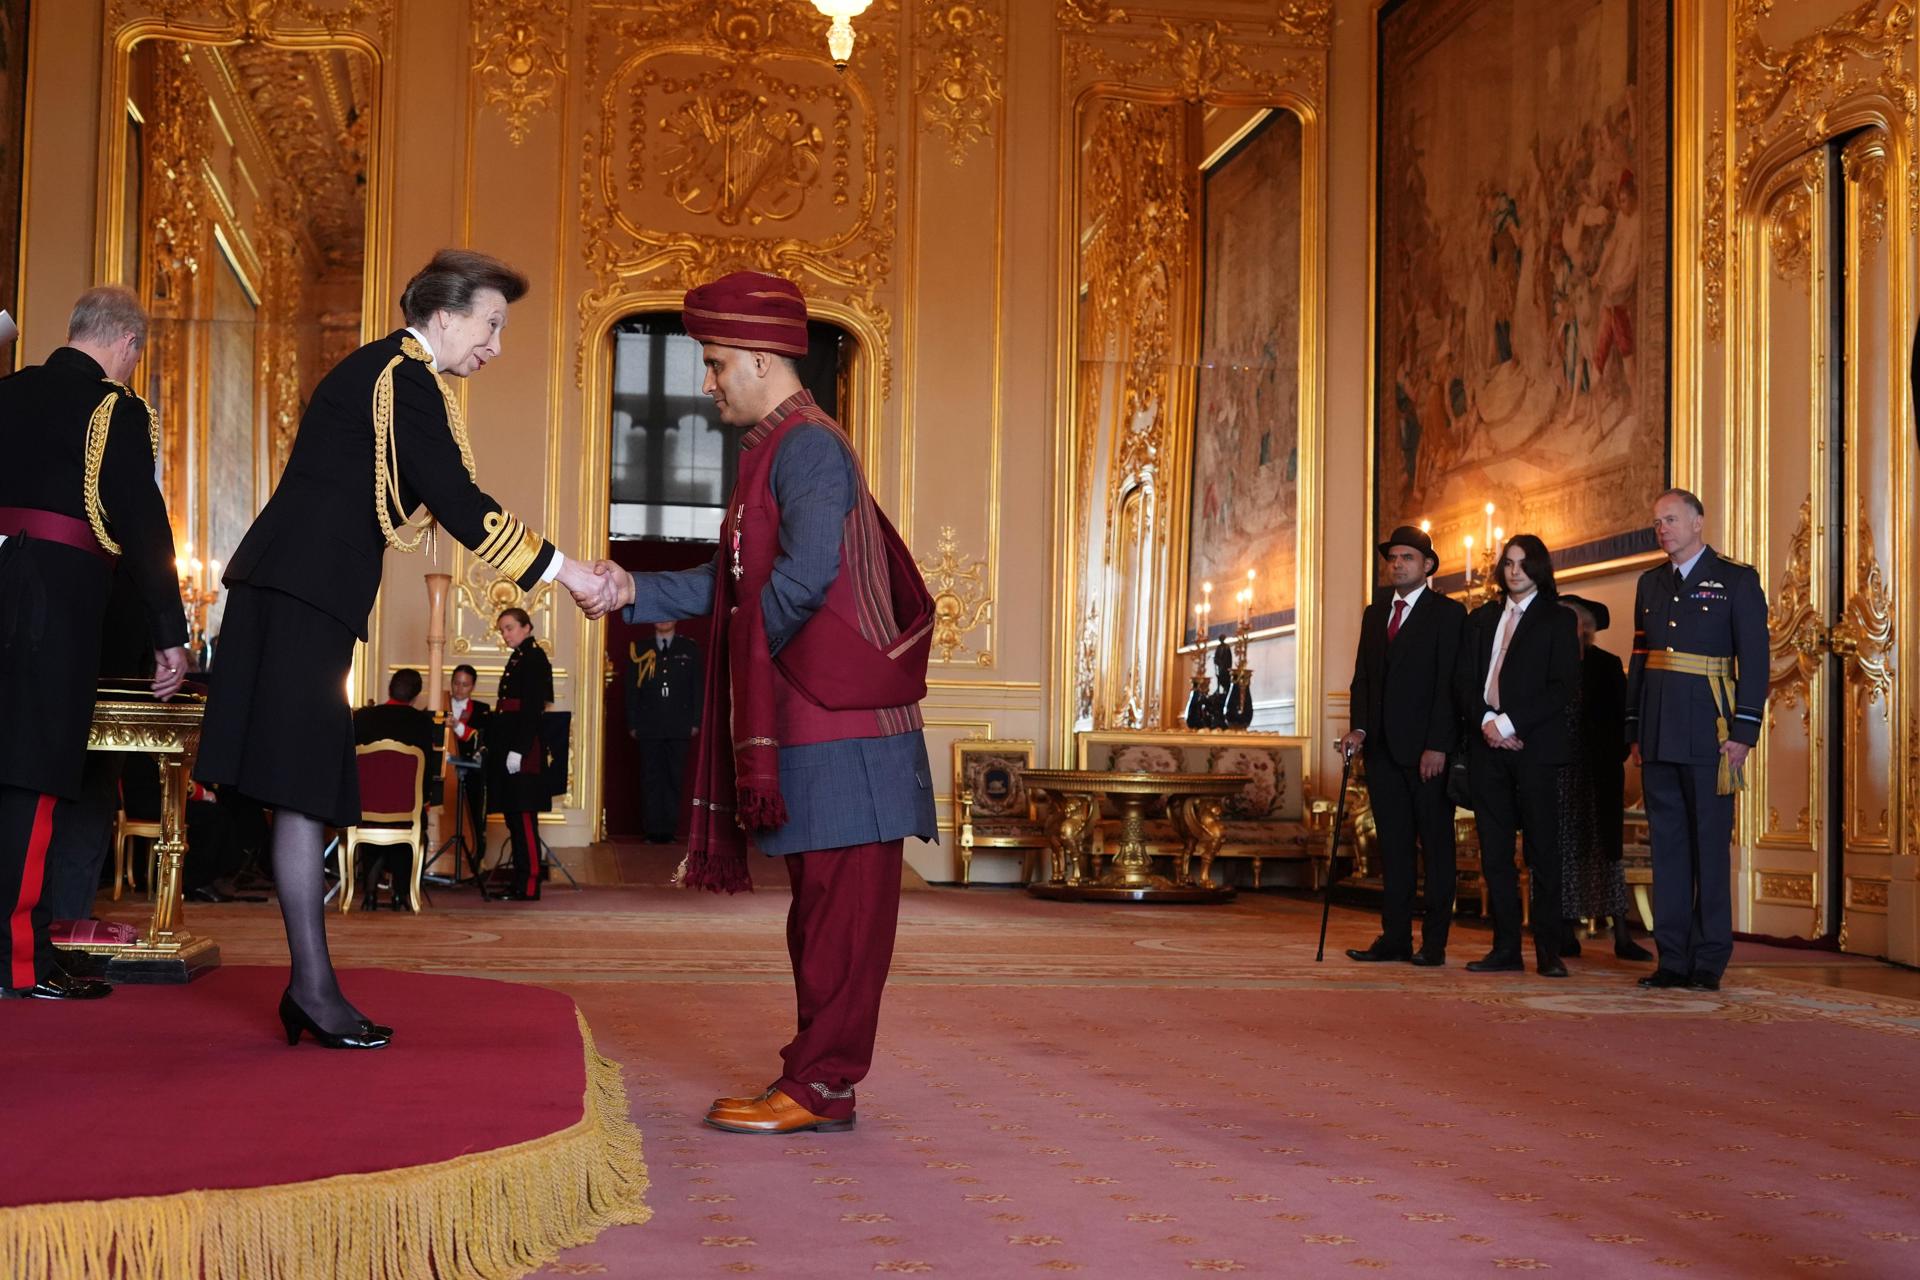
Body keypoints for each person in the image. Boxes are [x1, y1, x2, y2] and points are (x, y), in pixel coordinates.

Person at [194, 250, 616, 1047]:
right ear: (445, 316)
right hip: (298, 596)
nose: (495, 345)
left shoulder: (396, 376)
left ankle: (310, 989)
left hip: (302, 595)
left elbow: (418, 497)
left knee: (303, 789)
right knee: (304, 788)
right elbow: (459, 503)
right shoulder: (402, 377)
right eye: (491, 325)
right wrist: (568, 573)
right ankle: (313, 991)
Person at [583, 270, 937, 1136]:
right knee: (819, 920)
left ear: (759, 360)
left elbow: (806, 577)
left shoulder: (809, 445)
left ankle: (821, 1088)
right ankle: (819, 1082)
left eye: (713, 365)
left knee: (842, 925)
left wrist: (743, 667)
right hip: (819, 722)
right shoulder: (773, 451)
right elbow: (738, 582)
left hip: (844, 728)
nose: (706, 385)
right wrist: (636, 587)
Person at [0, 286, 189, 1000]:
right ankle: (20, 961)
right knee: (34, 782)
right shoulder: (117, 409)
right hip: (53, 610)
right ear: (128, 346)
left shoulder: (7, 392)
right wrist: (169, 633)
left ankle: (24, 947)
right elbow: (142, 526)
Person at [1626, 489, 1768, 992]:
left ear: (1698, 522)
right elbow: (1641, 660)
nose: (1662, 529)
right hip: (1660, 733)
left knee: (1708, 848)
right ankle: (1672, 957)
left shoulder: (1736, 580)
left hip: (1712, 733)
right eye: (1657, 521)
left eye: (1671, 519)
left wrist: (1744, 733)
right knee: (1667, 849)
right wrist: (1635, 729)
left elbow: (1755, 661)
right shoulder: (1650, 584)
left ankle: (1709, 959)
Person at [1339, 525, 1465, 966]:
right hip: (1383, 754)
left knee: (1435, 848)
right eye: (1393, 558)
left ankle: (1434, 944)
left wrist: (1439, 745)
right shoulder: (1375, 614)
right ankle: (1394, 938)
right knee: (1392, 849)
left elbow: (1451, 685)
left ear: (1428, 566)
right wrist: (1359, 730)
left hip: (1427, 755)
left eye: (1407, 557)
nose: (1397, 564)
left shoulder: (1448, 615)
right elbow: (1364, 680)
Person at [1457, 534, 1580, 978]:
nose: (1514, 571)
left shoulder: (1557, 620)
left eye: (1524, 563)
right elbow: (1466, 681)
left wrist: (1509, 724)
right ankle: (1505, 948)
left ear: (1539, 569)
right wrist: (1488, 724)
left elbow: (1563, 687)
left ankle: (1548, 951)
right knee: (1495, 854)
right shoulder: (1482, 619)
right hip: (1488, 750)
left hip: (1534, 750)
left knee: (1542, 854)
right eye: (1508, 563)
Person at [1556, 596, 1652, 961]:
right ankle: (1563, 931)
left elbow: (1622, 718)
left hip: (1597, 773)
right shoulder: (1548, 663)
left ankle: (1623, 935)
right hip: (1558, 773)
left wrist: (1615, 753)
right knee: (1561, 851)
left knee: (1604, 852)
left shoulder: (1607, 665)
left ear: (1586, 628)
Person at [351, 668, 439, 910]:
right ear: (416, 695)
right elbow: (427, 767)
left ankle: (369, 894)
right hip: (406, 808)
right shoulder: (421, 722)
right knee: (411, 824)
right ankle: (402, 894)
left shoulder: (363, 717)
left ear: (389, 687)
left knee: (375, 824)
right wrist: (426, 800)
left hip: (365, 810)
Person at [487, 608, 553, 901]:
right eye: (503, 629)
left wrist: (519, 749)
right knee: (514, 815)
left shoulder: (534, 658)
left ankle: (529, 883)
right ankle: (519, 880)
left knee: (524, 816)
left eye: (510, 628)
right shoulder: (518, 657)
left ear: (527, 627)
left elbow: (531, 710)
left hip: (523, 748)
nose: (506, 634)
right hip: (510, 743)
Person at [626, 620, 702, 843]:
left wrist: (695, 720)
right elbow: (631, 689)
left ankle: (668, 830)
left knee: (673, 778)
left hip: (679, 723)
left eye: (668, 615)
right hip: (649, 724)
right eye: (659, 615)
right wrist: (633, 723)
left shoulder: (689, 648)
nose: (664, 620)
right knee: (651, 778)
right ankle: (652, 830)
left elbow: (697, 688)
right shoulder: (640, 649)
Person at [447, 662, 489, 860]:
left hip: (471, 773)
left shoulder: (482, 710)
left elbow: (480, 740)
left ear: (473, 687)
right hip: (446, 773)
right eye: (456, 683)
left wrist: (456, 725)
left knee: (474, 818)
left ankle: (474, 862)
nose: (459, 689)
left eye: (464, 685)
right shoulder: (440, 705)